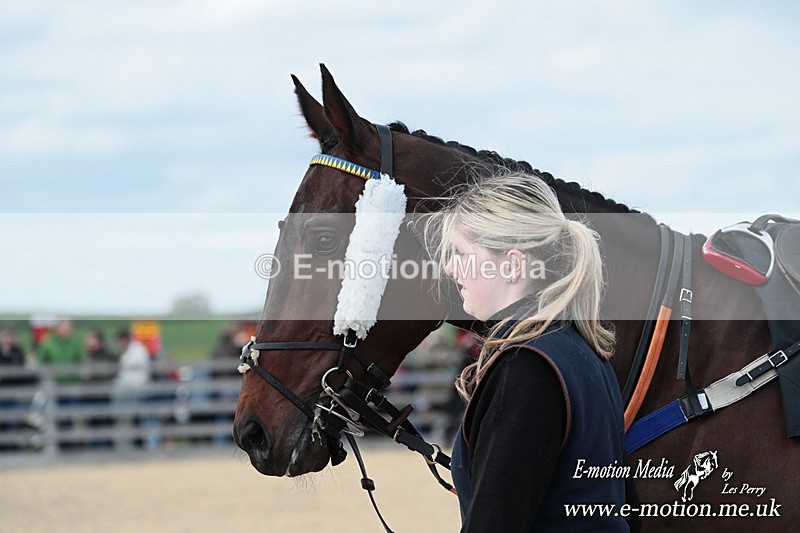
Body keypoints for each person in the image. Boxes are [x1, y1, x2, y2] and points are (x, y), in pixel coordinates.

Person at [428, 171, 628, 531]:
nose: (448, 267)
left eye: (461, 254)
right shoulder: (579, 349)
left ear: (512, 264)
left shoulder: (526, 367)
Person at [113, 329, 153, 451]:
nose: (118, 345)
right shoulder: (131, 352)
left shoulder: (137, 352)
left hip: (135, 393)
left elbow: (136, 377)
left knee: (129, 421)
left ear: (124, 339)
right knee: (127, 421)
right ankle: (127, 447)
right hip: (130, 393)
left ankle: (127, 448)